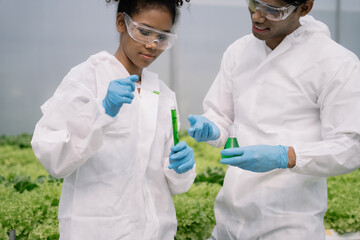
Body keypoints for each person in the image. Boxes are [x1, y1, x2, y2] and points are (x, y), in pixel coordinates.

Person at [187, 0, 360, 239]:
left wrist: (285, 157)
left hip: (290, 223)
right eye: (254, 3)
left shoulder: (335, 63)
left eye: (273, 11)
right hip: (229, 217)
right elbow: (222, 116)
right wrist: (213, 128)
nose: (257, 17)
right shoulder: (239, 52)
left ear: (304, 8)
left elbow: (351, 146)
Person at [31, 0, 196, 239]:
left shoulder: (163, 95)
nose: (152, 44)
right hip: (97, 230)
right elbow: (52, 156)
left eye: (163, 37)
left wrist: (180, 169)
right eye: (145, 31)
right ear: (122, 23)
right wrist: (102, 112)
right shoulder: (87, 78)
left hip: (155, 232)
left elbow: (173, 186)